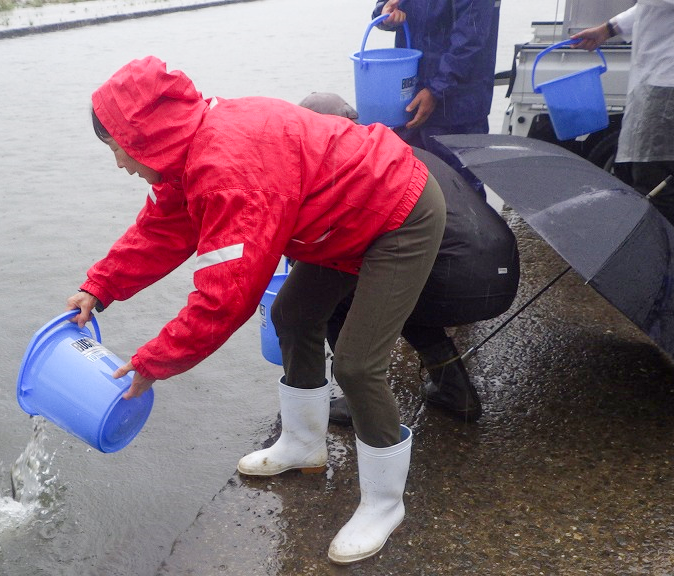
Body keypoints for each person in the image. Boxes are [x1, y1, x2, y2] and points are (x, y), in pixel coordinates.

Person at [68, 57, 445, 564]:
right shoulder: (190, 149)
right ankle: (303, 444)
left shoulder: (230, 171)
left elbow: (225, 296)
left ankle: (383, 504)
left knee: (358, 364)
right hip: (337, 221)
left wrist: (154, 360)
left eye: (118, 148)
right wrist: (99, 286)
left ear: (145, 137)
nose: (120, 164)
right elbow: (163, 228)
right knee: (291, 317)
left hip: (398, 212)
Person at [297, 93, 520, 424]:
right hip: (503, 274)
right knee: (407, 285)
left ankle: (357, 398)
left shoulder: (360, 170)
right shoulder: (401, 149)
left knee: (338, 296)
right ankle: (454, 390)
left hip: (455, 281)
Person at [572, 1, 674, 229]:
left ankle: (658, 250)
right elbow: (650, 7)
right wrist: (608, 29)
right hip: (656, 80)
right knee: (641, 174)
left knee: (655, 185)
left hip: (670, 85)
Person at [373, 0, 501, 196]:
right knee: (407, 188)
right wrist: (385, 15)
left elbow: (470, 39)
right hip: (410, 96)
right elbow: (382, 8)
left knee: (463, 190)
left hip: (459, 107)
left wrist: (436, 90)